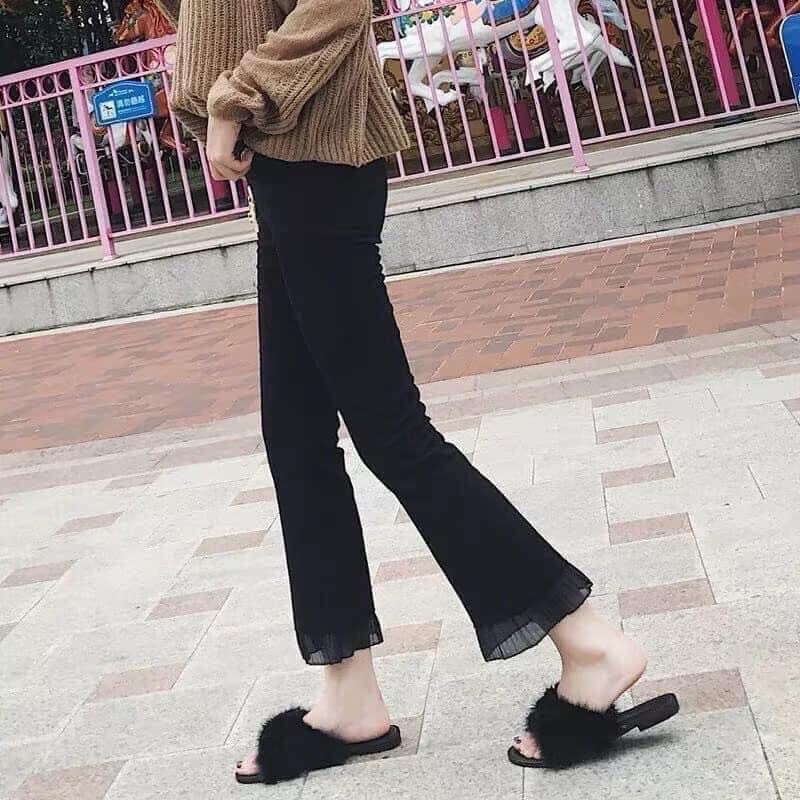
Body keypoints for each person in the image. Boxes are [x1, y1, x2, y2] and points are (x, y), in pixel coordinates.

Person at [160, 0, 678, 784]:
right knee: (296, 437)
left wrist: (238, 96)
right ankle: (348, 692)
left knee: (392, 433)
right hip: (285, 163)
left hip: (315, 157)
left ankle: (591, 643)